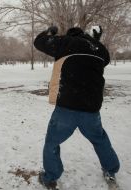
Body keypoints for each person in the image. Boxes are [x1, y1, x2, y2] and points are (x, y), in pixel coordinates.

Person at [34, 26, 120, 189]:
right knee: (100, 139)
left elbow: (39, 42)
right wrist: (94, 40)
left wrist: (50, 32)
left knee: (52, 142)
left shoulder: (65, 43)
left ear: (69, 35)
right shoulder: (98, 48)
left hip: (67, 106)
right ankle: (110, 170)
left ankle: (50, 178)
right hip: (91, 109)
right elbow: (104, 60)